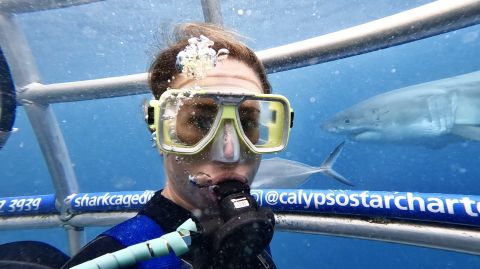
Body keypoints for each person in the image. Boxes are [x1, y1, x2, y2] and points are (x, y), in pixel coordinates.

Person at [62, 23, 293, 269]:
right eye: (200, 122)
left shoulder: (246, 231)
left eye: (247, 123)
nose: (229, 152)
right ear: (160, 131)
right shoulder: (114, 256)